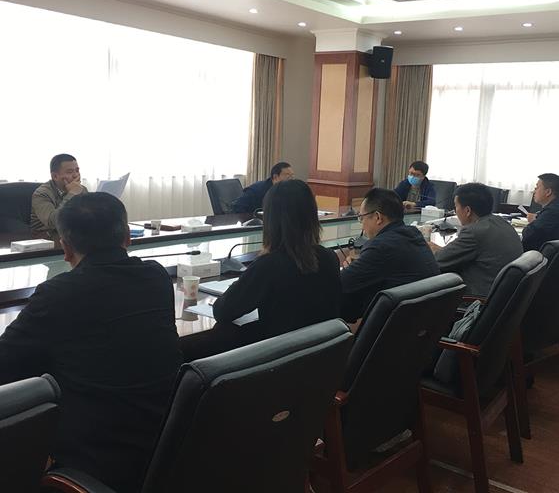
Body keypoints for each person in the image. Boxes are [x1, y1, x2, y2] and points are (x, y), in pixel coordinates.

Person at [0, 193, 182, 493]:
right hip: (165, 443)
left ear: (65, 248)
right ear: (127, 236)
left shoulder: (58, 293)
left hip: (95, 462)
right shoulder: (156, 276)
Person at [213, 179, 341, 341]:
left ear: (270, 220)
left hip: (280, 354)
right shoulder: (330, 257)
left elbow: (222, 311)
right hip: (321, 352)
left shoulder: (268, 265)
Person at [339, 187, 440, 323]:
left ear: (378, 217)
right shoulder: (414, 234)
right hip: (423, 322)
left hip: (396, 325)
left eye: (361, 218)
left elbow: (341, 283)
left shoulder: (381, 246)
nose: (362, 225)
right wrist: (361, 264)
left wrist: (353, 268)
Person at [430, 183, 523, 298]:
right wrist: (440, 250)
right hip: (504, 296)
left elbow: (436, 262)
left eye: (456, 207)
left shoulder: (474, 232)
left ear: (467, 211)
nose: (455, 211)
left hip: (476, 299)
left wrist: (428, 250)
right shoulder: (501, 222)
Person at [31, 153, 88, 240]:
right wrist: (72, 194)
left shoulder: (81, 189)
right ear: (55, 176)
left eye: (77, 170)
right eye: (70, 172)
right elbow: (53, 222)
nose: (76, 175)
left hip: (72, 233)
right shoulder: (41, 193)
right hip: (46, 237)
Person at [522, 173, 559, 251]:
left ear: (548, 192)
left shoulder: (552, 212)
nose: (534, 191)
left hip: (543, 255)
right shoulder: (558, 206)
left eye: (537, 188)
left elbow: (527, 234)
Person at [230, 161, 295, 214]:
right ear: (275, 177)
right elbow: (238, 206)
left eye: (292, 175)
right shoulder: (257, 190)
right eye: (288, 175)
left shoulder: (287, 190)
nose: (291, 179)